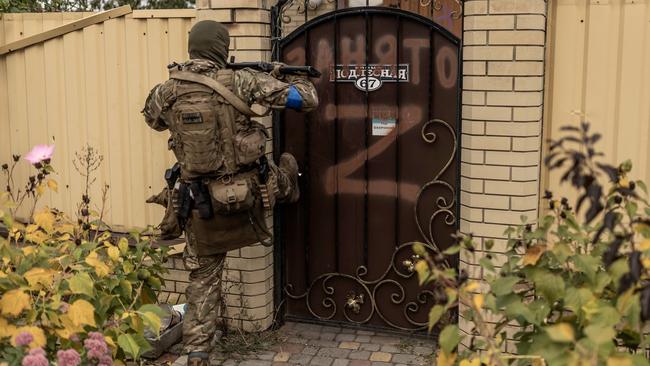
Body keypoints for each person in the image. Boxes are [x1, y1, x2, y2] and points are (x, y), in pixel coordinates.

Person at [141, 20, 318, 366]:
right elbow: (307, 99)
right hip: (249, 193)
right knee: (281, 173)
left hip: (198, 203)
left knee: (204, 280)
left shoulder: (168, 89)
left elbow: (153, 120)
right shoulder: (243, 80)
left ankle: (196, 354)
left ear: (193, 47)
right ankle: (290, 185)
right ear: (222, 48)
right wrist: (283, 75)